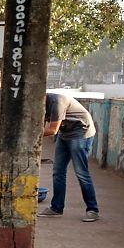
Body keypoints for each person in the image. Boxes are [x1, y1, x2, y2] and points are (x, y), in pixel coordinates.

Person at [38, 93, 100, 222]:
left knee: (81, 173)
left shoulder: (57, 102)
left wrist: (32, 136)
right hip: (65, 133)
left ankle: (93, 210)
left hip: (81, 132)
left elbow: (53, 130)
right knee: (58, 171)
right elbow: (41, 126)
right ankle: (56, 208)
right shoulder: (41, 105)